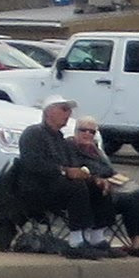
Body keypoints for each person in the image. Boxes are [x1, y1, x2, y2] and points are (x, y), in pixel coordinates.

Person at [12, 96, 108, 259]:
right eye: (64, 109)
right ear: (49, 112)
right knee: (76, 187)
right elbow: (33, 164)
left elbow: (73, 164)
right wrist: (64, 171)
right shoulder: (33, 134)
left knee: (95, 186)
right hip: (37, 189)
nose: (68, 114)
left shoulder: (60, 139)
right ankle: (76, 241)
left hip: (58, 187)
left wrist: (92, 177)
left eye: (69, 110)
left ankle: (96, 238)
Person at [71, 115, 139, 257]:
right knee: (115, 196)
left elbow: (111, 171)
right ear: (75, 131)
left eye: (92, 131)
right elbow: (76, 172)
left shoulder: (96, 151)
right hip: (91, 193)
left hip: (111, 188)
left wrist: (124, 181)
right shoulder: (70, 148)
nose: (87, 134)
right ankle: (93, 239)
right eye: (83, 130)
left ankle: (137, 244)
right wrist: (99, 179)